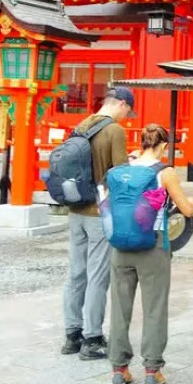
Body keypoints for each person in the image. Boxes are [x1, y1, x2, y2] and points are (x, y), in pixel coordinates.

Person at [109, 124, 193, 384]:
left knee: (119, 308)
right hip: (152, 245)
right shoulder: (164, 172)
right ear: (164, 146)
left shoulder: (122, 170)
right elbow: (186, 209)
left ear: (142, 142)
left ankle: (119, 371)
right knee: (154, 308)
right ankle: (151, 372)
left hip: (120, 246)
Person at [62, 87, 134, 360]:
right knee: (98, 275)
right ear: (122, 105)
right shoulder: (114, 131)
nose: (127, 117)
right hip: (98, 212)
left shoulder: (82, 125)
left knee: (76, 273)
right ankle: (93, 338)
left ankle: (72, 335)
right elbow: (119, 174)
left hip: (75, 209)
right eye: (128, 111)